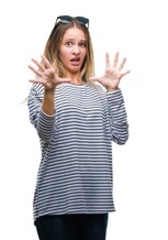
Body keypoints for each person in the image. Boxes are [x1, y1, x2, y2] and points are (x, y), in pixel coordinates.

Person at [24, 15, 131, 240]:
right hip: (54, 203)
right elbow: (46, 133)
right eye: (69, 44)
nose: (76, 51)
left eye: (82, 44)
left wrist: (113, 91)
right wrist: (50, 92)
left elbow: (121, 136)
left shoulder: (99, 93)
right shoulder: (42, 89)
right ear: (56, 47)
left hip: (95, 203)